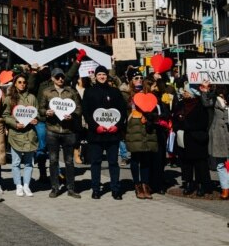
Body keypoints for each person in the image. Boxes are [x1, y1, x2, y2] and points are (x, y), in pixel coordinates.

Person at [82, 65, 126, 200]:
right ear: (95, 76)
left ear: (107, 76)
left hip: (112, 134)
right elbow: (86, 112)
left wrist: (117, 126)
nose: (102, 77)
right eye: (100, 74)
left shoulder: (115, 92)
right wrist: (96, 127)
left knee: (113, 162)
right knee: (95, 162)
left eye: (104, 74)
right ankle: (96, 189)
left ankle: (115, 189)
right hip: (96, 134)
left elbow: (122, 111)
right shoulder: (89, 92)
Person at [38, 67, 82, 198]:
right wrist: (46, 112)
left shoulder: (71, 92)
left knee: (69, 161)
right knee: (53, 160)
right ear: (52, 78)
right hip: (52, 130)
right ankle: (55, 188)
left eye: (62, 77)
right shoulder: (46, 92)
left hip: (68, 131)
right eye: (57, 77)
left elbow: (79, 109)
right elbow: (40, 109)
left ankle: (71, 188)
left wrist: (73, 115)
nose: (60, 79)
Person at [173, 82, 211, 196]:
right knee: (186, 163)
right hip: (184, 138)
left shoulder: (200, 105)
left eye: (186, 91)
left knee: (200, 163)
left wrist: (186, 125)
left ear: (192, 93)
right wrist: (178, 126)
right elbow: (175, 117)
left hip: (197, 138)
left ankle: (201, 185)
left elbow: (203, 122)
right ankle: (188, 183)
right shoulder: (180, 104)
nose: (184, 93)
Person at [3, 74, 39, 196]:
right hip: (16, 134)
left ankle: (27, 185)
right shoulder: (9, 99)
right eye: (19, 82)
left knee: (29, 162)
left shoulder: (32, 98)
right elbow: (5, 115)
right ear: (15, 84)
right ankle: (18, 185)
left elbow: (37, 113)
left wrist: (35, 119)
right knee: (16, 162)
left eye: (24, 82)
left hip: (29, 134)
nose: (22, 84)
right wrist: (14, 123)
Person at [125, 79, 159, 199]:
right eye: (135, 78)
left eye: (140, 77)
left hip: (147, 130)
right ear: (131, 81)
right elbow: (123, 112)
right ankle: (137, 185)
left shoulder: (149, 95)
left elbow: (157, 112)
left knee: (146, 158)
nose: (138, 80)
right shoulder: (127, 95)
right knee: (135, 158)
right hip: (134, 130)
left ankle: (145, 185)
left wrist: (149, 116)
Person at [201, 82, 229, 199]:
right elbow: (206, 103)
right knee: (220, 163)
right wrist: (205, 90)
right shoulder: (213, 99)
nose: (221, 89)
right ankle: (225, 188)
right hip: (219, 134)